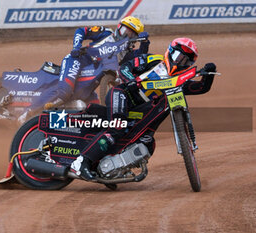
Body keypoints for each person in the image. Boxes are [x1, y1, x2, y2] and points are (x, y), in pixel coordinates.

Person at [70, 37, 217, 180]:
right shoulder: (153, 60)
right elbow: (126, 67)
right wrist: (131, 80)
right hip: (122, 95)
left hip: (139, 112)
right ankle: (81, 162)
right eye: (179, 57)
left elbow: (200, 87)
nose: (181, 62)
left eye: (187, 61)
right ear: (170, 51)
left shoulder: (180, 80)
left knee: (148, 143)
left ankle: (111, 169)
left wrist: (209, 75)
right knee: (117, 128)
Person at [18, 16, 150, 124]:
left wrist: (144, 43)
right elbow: (82, 31)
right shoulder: (106, 33)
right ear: (119, 27)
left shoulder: (126, 53)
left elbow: (139, 59)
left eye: (131, 34)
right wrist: (76, 46)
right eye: (125, 31)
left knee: (92, 109)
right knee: (65, 92)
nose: (127, 35)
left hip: (92, 81)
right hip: (77, 61)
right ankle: (27, 113)